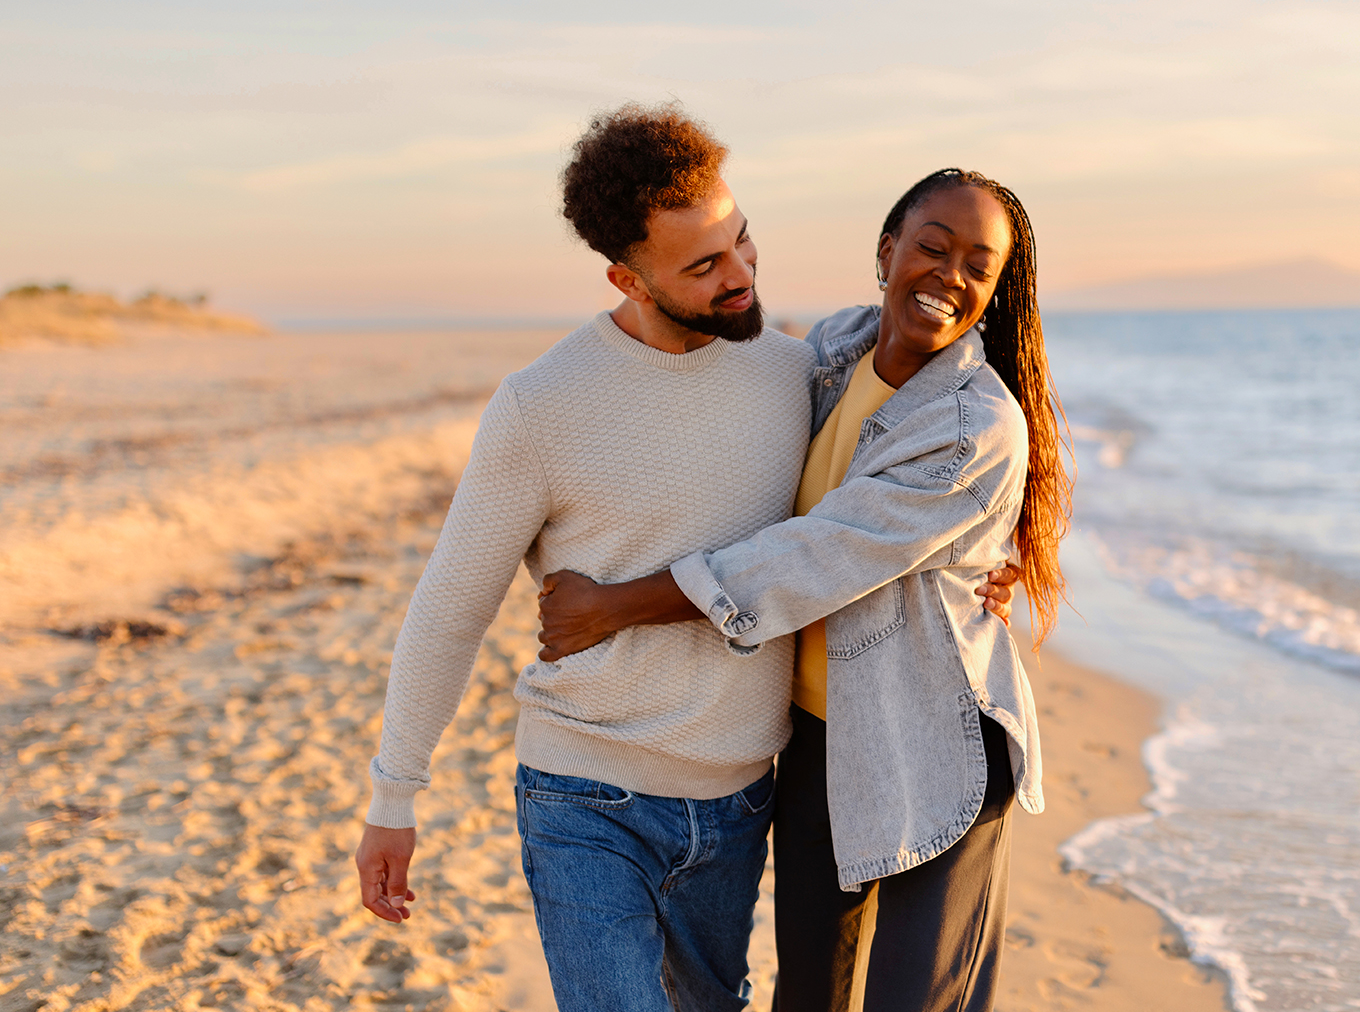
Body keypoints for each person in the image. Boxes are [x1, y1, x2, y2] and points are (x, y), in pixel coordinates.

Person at [354, 106, 1018, 1012]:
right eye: (705, 267)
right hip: (583, 792)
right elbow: (449, 608)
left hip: (743, 800)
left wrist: (992, 557)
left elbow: (866, 506)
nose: (741, 277)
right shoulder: (540, 406)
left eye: (743, 243)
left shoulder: (796, 373)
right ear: (627, 277)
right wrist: (394, 795)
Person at [536, 168, 1070, 1012]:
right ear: (888, 252)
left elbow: (813, 556)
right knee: (806, 998)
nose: (950, 277)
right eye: (933, 248)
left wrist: (615, 604)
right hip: (821, 739)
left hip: (936, 739)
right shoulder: (830, 353)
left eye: (980, 266)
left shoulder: (975, 426)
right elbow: (721, 406)